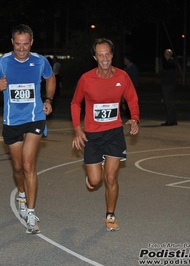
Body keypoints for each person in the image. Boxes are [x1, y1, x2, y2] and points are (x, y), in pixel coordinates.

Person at [0, 24, 56, 234]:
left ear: (31, 43)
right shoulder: (2, 62)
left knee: (27, 164)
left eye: (26, 44)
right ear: (12, 42)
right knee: (17, 167)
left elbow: (50, 78)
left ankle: (31, 214)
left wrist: (49, 99)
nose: (22, 48)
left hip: (34, 118)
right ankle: (22, 195)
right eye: (18, 44)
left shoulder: (40, 61)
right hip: (12, 121)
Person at [70, 38, 139, 232]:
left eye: (107, 53)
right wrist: (77, 129)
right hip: (92, 135)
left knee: (111, 178)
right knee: (95, 181)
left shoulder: (122, 77)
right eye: (100, 55)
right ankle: (92, 176)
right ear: (95, 57)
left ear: (112, 55)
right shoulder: (86, 79)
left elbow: (132, 99)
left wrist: (135, 118)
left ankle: (110, 215)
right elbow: (75, 103)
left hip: (114, 133)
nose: (105, 58)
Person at [161, 49, 177, 126]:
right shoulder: (173, 63)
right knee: (171, 102)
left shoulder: (168, 64)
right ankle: (173, 119)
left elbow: (164, 73)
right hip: (171, 84)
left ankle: (170, 120)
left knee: (168, 103)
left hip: (167, 85)